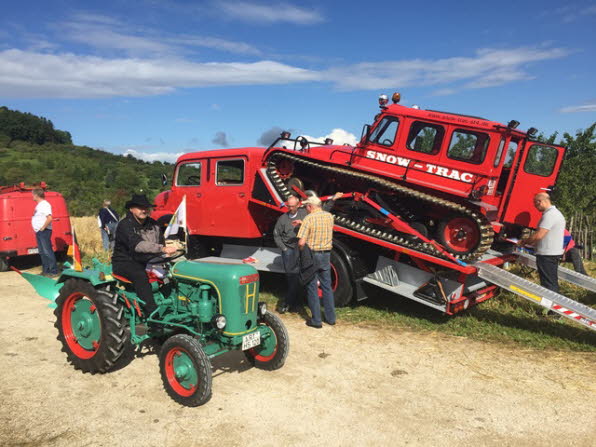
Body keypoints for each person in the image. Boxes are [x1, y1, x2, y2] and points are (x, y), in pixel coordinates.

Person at [112, 194, 177, 316]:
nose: (143, 210)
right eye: (139, 207)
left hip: (149, 260)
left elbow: (160, 241)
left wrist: (166, 256)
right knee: (140, 275)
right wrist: (162, 249)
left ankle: (173, 307)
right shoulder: (125, 225)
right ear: (131, 209)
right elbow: (138, 245)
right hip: (125, 262)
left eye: (146, 207)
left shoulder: (153, 224)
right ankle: (152, 314)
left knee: (174, 271)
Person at [297, 193, 336, 328]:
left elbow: (301, 242)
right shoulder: (329, 217)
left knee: (312, 286)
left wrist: (301, 251)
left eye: (306, 206)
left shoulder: (309, 219)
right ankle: (331, 318)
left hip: (312, 255)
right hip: (326, 254)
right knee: (327, 286)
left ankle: (316, 320)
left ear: (310, 206)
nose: (306, 209)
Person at [519, 192, 565, 293]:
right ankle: (553, 304)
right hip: (551, 253)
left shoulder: (550, 215)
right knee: (551, 281)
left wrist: (524, 242)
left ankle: (551, 306)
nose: (535, 207)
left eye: (535, 203)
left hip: (547, 255)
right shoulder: (555, 213)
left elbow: (539, 235)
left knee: (548, 284)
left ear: (540, 202)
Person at [273, 195, 308, 313]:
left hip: (301, 247)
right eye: (289, 206)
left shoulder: (304, 214)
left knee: (301, 275)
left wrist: (302, 223)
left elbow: (314, 220)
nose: (291, 208)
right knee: (291, 276)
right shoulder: (282, 218)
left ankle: (290, 302)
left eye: (293, 206)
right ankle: (293, 302)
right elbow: (276, 235)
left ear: (298, 205)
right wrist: (284, 249)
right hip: (289, 249)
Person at [31, 188, 59, 277]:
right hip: (39, 231)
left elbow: (50, 218)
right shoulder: (39, 205)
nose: (32, 197)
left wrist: (43, 227)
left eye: (33, 195)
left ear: (36, 195)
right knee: (42, 252)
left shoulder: (45, 205)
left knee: (47, 251)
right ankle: (46, 271)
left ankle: (53, 271)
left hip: (44, 231)